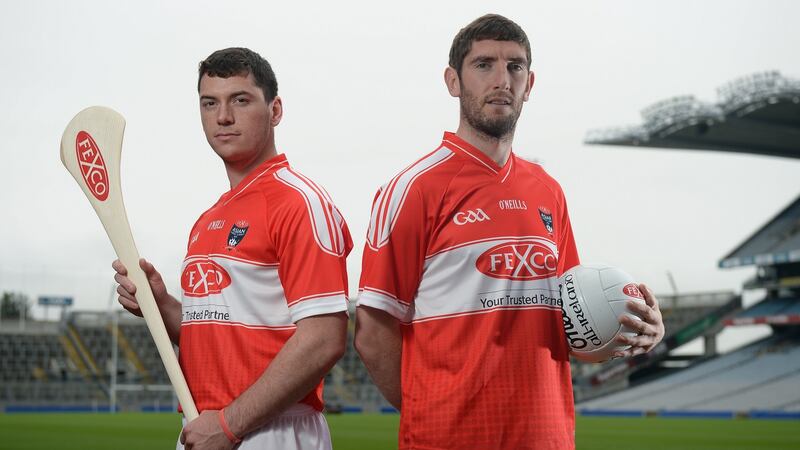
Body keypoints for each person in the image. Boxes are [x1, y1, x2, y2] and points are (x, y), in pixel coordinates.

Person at [354, 14, 665, 450]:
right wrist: (432, 413)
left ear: (530, 83)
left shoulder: (548, 191)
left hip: (548, 439)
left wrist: (635, 332)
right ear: (453, 81)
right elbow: (372, 330)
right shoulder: (412, 189)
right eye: (484, 65)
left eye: (514, 66)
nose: (502, 79)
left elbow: (572, 327)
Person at [113, 47, 351, 450]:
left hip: (270, 430)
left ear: (275, 111)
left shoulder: (299, 202)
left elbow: (324, 339)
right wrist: (162, 304)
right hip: (204, 427)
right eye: (210, 103)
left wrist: (229, 425)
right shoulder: (206, 221)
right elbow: (210, 336)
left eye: (240, 100)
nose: (223, 117)